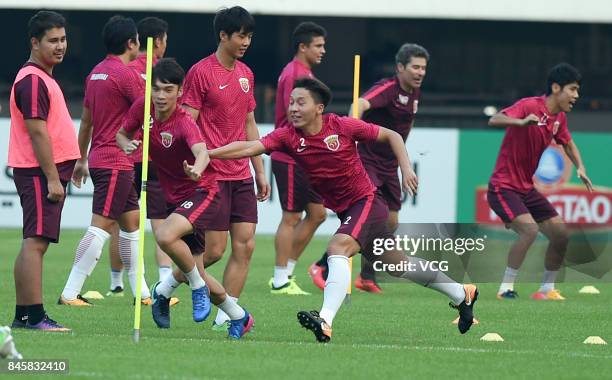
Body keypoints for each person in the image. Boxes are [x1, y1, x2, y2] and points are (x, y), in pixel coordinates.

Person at [208, 77, 478, 343]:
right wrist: (208, 154)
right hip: (351, 210)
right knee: (398, 264)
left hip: (366, 202)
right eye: (290, 103)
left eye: (300, 102)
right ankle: (461, 293)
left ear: (319, 108)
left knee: (338, 247)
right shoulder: (288, 137)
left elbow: (392, 135)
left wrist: (406, 168)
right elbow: (248, 146)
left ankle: (325, 320)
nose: (292, 108)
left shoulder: (342, 126)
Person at [117, 58, 253, 339]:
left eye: (168, 90)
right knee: (198, 266)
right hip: (173, 197)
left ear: (180, 92)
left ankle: (192, 286)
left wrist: (196, 169)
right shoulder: (143, 108)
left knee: (166, 237)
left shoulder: (184, 122)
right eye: (156, 89)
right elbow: (121, 133)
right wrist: (126, 144)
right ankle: (238, 316)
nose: (160, 96)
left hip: (203, 190)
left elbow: (202, 152)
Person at [309, 43, 429, 294]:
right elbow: (360, 104)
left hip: (389, 165)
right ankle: (323, 265)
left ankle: (366, 276)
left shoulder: (415, 92)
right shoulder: (388, 88)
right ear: (400, 68)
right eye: (415, 67)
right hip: (368, 160)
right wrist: (353, 125)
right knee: (367, 214)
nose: (420, 72)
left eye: (423, 68)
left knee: (391, 220)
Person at [181, 6, 270, 331]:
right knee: (215, 251)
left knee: (245, 244)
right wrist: (193, 161)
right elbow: (186, 122)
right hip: (211, 176)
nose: (246, 41)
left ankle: (227, 315)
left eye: (249, 36)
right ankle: (166, 285)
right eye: (240, 35)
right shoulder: (200, 72)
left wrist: (259, 169)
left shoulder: (246, 74)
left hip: (241, 175)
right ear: (223, 35)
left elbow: (249, 123)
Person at [59, 15, 151, 306]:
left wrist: (80, 158)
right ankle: (70, 291)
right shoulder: (127, 75)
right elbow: (147, 113)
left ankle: (142, 293)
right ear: (131, 43)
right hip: (115, 160)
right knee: (100, 225)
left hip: (102, 157)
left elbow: (86, 123)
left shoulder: (95, 73)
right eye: (137, 40)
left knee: (132, 224)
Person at [488, 63, 593, 300]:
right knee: (529, 230)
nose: (576, 96)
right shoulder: (529, 106)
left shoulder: (559, 118)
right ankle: (505, 288)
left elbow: (567, 142)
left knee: (561, 235)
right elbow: (495, 119)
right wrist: (521, 122)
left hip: (525, 189)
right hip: (502, 187)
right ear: (556, 87)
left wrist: (581, 167)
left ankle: (546, 290)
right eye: (573, 89)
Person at [8, 10, 79, 332]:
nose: (60, 46)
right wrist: (52, 178)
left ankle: (24, 315)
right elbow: (37, 132)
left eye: (63, 39)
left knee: (34, 242)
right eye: (53, 40)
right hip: (38, 173)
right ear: (34, 43)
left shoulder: (41, 77)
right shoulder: (33, 80)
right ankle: (34, 317)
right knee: (35, 243)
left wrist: (71, 163)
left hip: (43, 171)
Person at [106, 16, 177, 300]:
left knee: (120, 221)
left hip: (126, 155)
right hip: (152, 157)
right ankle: (162, 284)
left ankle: (116, 283)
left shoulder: (125, 70)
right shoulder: (161, 74)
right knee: (160, 220)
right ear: (158, 41)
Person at [270, 21, 328, 295]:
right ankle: (280, 280)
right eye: (318, 45)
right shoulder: (295, 74)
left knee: (317, 214)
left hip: (307, 155)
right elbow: (297, 118)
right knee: (291, 216)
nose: (323, 50)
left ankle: (287, 272)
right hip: (292, 153)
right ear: (302, 46)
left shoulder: (302, 73)